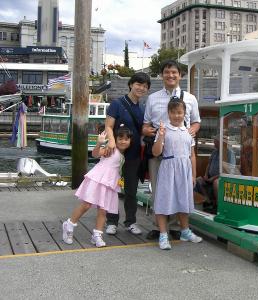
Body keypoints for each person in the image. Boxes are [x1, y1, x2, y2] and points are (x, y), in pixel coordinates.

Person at [143, 60, 201, 240]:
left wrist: (193, 130)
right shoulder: (152, 98)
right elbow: (145, 125)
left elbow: (196, 122)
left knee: (179, 189)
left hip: (180, 149)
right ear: (162, 75)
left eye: (174, 72)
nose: (171, 75)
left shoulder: (190, 98)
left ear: (180, 75)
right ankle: (160, 228)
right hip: (158, 149)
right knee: (158, 190)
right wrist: (149, 131)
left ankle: (177, 227)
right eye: (167, 72)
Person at [62, 126, 132, 247]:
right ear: (115, 139)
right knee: (86, 204)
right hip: (98, 179)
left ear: (130, 141)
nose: (123, 141)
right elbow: (94, 154)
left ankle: (97, 235)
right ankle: (69, 225)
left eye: (127, 139)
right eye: (120, 138)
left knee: (103, 210)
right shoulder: (112, 149)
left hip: (109, 183)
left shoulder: (123, 155)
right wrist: (99, 144)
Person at [103, 72, 151, 236]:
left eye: (145, 86)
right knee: (112, 188)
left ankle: (130, 221)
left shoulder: (143, 109)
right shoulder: (117, 103)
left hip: (134, 154)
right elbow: (109, 126)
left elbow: (144, 130)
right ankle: (111, 221)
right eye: (138, 84)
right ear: (131, 84)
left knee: (131, 190)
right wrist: (111, 141)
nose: (141, 88)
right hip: (116, 153)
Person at [152, 99, 202, 250]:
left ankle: (185, 231)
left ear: (184, 113)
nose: (176, 116)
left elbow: (192, 155)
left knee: (183, 200)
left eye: (179, 112)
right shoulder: (164, 130)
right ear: (168, 113)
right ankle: (163, 234)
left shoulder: (188, 132)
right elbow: (156, 152)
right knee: (163, 200)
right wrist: (160, 136)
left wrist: (193, 175)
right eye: (173, 112)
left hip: (184, 169)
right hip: (168, 167)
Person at [194, 135, 235, 212]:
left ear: (220, 143)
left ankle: (218, 206)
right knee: (198, 180)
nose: (214, 143)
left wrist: (214, 178)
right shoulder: (214, 152)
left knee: (216, 183)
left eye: (215, 142)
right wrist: (206, 175)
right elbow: (208, 164)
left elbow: (229, 171)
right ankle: (208, 201)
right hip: (210, 177)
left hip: (224, 178)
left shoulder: (229, 153)